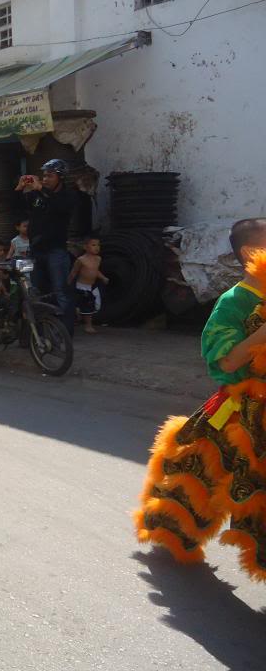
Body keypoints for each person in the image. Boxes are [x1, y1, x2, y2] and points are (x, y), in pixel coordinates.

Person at [134, 218, 266, 582]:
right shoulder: (234, 302)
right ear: (251, 253)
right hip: (242, 409)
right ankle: (173, 530)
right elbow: (223, 362)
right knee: (198, 469)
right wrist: (259, 338)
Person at [17, 159, 78, 334]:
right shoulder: (37, 195)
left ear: (60, 178)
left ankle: (65, 331)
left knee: (60, 291)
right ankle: (40, 333)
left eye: (49, 176)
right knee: (36, 291)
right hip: (36, 251)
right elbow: (19, 208)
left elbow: (59, 206)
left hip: (56, 252)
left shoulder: (68, 195)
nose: (45, 179)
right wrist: (20, 188)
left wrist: (40, 189)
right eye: (44, 175)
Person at [69, 235, 109, 334]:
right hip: (82, 286)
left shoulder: (98, 259)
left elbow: (95, 271)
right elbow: (74, 272)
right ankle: (88, 325)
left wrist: (103, 277)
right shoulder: (81, 260)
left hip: (93, 285)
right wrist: (68, 283)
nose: (97, 247)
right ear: (85, 247)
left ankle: (77, 312)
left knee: (96, 304)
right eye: (93, 245)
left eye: (98, 245)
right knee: (87, 305)